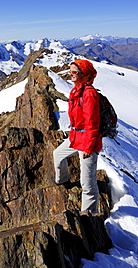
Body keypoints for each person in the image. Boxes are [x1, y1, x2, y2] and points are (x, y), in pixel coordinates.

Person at [53, 59, 102, 214]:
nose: (70, 74)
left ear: (84, 74)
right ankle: (63, 181)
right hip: (76, 137)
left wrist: (89, 146)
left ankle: (89, 214)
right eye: (71, 71)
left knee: (87, 183)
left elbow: (93, 123)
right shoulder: (76, 90)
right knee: (57, 154)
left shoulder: (89, 94)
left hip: (88, 141)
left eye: (74, 72)